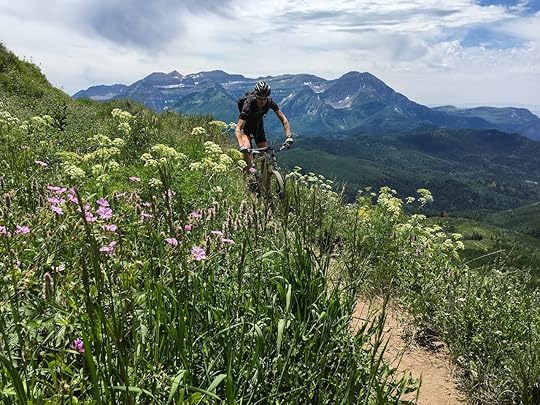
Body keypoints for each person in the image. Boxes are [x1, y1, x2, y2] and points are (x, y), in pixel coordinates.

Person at [235, 80, 294, 171]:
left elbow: (284, 120)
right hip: (245, 128)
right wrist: (241, 146)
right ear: (255, 96)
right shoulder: (249, 104)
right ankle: (248, 176)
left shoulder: (270, 102)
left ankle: (263, 180)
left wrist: (289, 136)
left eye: (265, 98)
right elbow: (238, 128)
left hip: (258, 127)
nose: (262, 101)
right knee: (247, 149)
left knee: (265, 154)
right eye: (260, 98)